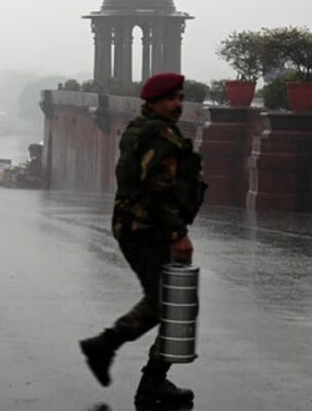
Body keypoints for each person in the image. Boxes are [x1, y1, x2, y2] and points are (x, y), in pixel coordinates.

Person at [79, 73, 207, 406]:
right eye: (170, 99)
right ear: (151, 102)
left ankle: (138, 370)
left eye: (180, 97)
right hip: (146, 229)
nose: (178, 104)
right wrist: (178, 234)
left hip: (142, 226)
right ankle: (113, 352)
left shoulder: (148, 129)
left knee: (172, 302)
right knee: (170, 301)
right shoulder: (158, 136)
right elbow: (157, 188)